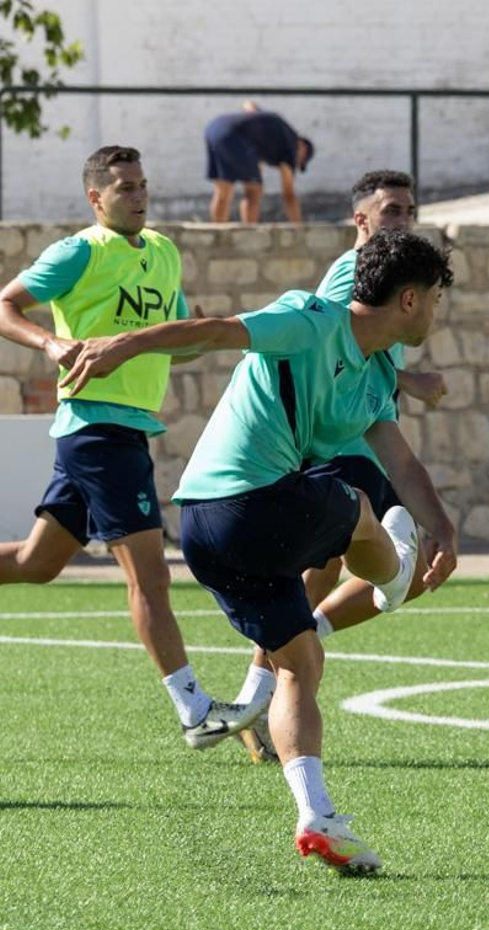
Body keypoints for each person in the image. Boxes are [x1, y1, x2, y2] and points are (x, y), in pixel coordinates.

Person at [60, 229, 459, 874]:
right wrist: (122, 344)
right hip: (240, 506)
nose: (439, 313)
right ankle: (394, 569)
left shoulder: (378, 374)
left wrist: (444, 524)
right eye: (438, 299)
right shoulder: (310, 319)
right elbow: (217, 330)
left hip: (214, 538)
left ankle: (316, 815)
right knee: (356, 502)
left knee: (299, 662)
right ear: (410, 299)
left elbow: (403, 462)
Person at [0, 145, 257, 750]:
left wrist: (226, 334)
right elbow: (5, 304)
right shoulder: (78, 253)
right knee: (150, 576)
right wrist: (50, 345)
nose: (139, 196)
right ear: (96, 198)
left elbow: (178, 340)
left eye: (143, 185)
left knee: (38, 564)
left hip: (122, 430)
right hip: (96, 431)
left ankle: (197, 709)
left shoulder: (163, 251)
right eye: (124, 188)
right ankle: (195, 711)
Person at [231, 169, 448, 762]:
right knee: (333, 565)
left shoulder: (401, 276)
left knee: (368, 568)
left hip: (366, 438)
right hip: (342, 442)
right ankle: (267, 687)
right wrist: (411, 379)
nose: (403, 219)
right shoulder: (351, 273)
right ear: (361, 219)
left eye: (409, 209)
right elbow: (329, 349)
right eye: (391, 211)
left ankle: (278, 673)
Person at [204, 103, 315, 223]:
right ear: (303, 148)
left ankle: (218, 233)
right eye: (300, 161)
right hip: (234, 136)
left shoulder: (274, 132)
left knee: (224, 190)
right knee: (254, 190)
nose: (296, 163)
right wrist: (298, 227)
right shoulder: (291, 146)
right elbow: (289, 195)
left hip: (215, 128)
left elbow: (249, 105)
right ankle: (249, 233)